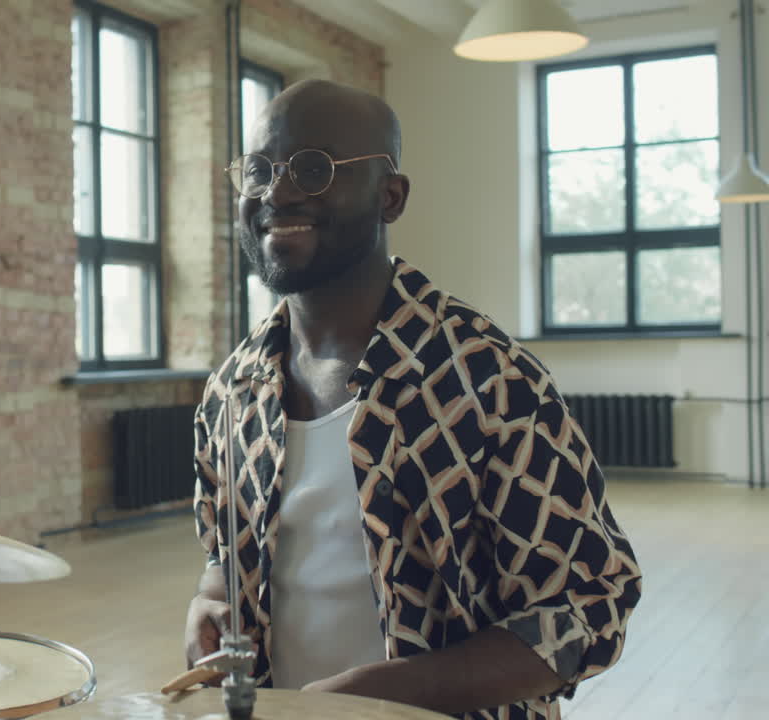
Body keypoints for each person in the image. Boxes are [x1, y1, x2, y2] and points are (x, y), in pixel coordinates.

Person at [183, 79, 642, 720]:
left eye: (313, 169)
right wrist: (210, 599)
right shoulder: (232, 392)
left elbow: (592, 606)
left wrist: (401, 694)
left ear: (390, 197)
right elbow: (223, 554)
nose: (276, 191)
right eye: (257, 170)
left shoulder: (492, 383)